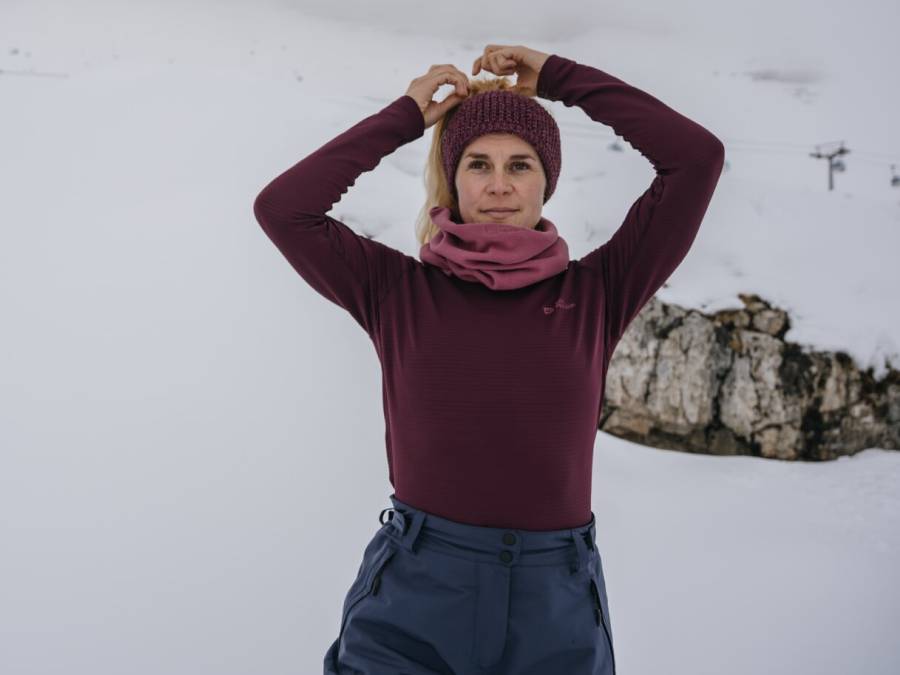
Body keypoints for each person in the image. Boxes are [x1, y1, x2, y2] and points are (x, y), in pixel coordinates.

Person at [253, 43, 725, 675]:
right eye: (478, 163)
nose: (499, 185)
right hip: (416, 595)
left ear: (546, 181)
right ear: (453, 179)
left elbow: (696, 159)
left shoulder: (598, 291)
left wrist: (561, 79)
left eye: (520, 165)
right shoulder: (395, 290)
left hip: (553, 602)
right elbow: (285, 209)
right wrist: (406, 115)